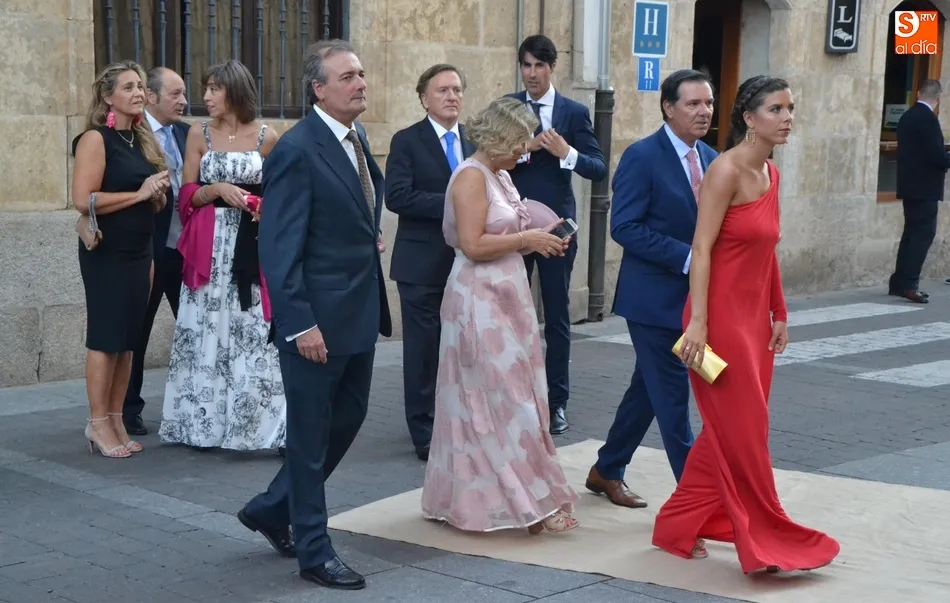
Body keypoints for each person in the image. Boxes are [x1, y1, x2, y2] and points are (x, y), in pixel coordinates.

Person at [653, 75, 840, 573]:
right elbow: (701, 249)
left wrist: (780, 312)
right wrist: (698, 323)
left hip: (754, 324)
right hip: (716, 323)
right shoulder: (725, 171)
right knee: (745, 430)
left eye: (790, 108)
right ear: (749, 118)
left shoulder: (770, 174)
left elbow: (766, 251)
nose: (787, 118)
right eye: (776, 109)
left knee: (728, 431)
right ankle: (765, 531)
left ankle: (675, 523)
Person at [238, 39, 392, 591]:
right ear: (318, 89)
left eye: (361, 73)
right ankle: (313, 550)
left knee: (347, 420)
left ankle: (270, 509)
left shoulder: (356, 137)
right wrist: (300, 323)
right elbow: (279, 247)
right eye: (347, 76)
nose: (360, 83)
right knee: (308, 437)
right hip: (315, 322)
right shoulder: (297, 149)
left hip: (356, 312)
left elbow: (348, 213)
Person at [421, 97, 579, 535]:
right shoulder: (471, 176)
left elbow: (507, 233)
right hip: (479, 298)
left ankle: (519, 497)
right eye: (521, 142)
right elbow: (472, 244)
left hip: (508, 294)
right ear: (499, 139)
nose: (526, 151)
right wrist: (527, 239)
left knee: (517, 393)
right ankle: (521, 500)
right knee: (497, 398)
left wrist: (541, 237)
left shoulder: (500, 175)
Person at [587, 70, 716, 510]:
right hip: (652, 302)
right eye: (693, 104)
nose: (704, 112)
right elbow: (624, 226)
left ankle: (607, 469)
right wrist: (688, 257)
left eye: (708, 103)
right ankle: (696, 502)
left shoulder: (713, 158)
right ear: (668, 108)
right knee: (673, 398)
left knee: (648, 389)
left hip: (694, 303)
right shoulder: (642, 156)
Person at [158, 60, 285, 452]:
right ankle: (200, 425)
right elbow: (186, 196)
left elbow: (281, 196)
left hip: (251, 245)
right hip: (209, 247)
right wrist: (216, 190)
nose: (206, 97)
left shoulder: (268, 136)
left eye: (214, 89)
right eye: (206, 88)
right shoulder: (199, 134)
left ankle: (257, 428)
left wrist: (255, 203)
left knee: (253, 331)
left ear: (235, 91)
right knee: (206, 328)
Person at [505, 34, 607, 435]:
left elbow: (598, 167)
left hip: (557, 230)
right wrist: (526, 147)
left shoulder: (573, 112)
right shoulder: (509, 108)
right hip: (512, 227)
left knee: (557, 318)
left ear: (552, 68)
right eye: (526, 65)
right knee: (510, 316)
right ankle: (512, 398)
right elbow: (489, 155)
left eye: (539, 66)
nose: (531, 73)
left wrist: (567, 152)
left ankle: (556, 402)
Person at [71, 60, 169, 458]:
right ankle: (96, 422)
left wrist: (156, 196)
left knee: (129, 340)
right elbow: (84, 200)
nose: (138, 93)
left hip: (141, 249)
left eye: (141, 86)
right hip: (107, 251)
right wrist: (140, 193)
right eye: (128, 87)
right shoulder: (96, 139)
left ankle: (116, 418)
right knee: (105, 337)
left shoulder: (141, 139)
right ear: (108, 96)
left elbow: (148, 198)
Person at [385, 64, 475, 461]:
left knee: (462, 347)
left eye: (457, 89)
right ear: (424, 98)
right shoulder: (407, 141)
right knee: (423, 352)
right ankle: (423, 429)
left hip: (468, 263)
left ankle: (459, 420)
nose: (452, 96)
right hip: (421, 265)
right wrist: (456, 203)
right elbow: (397, 196)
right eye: (442, 90)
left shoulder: (474, 141)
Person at [123, 66, 190, 437]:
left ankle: (193, 407)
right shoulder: (131, 136)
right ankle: (127, 409)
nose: (184, 101)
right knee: (137, 331)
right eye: (175, 94)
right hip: (147, 249)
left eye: (184, 93)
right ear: (151, 96)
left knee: (193, 329)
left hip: (184, 251)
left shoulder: (187, 134)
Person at [888, 79, 949, 304]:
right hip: (925, 188)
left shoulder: (907, 116)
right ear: (938, 98)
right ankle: (909, 285)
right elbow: (937, 157)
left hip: (909, 185)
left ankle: (898, 282)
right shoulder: (929, 120)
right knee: (922, 236)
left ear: (917, 93)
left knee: (910, 235)